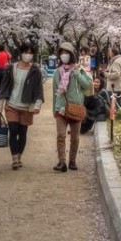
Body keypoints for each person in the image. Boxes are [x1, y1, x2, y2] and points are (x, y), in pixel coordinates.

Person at [0, 42, 44, 170]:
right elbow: (4, 86)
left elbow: (39, 89)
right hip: (12, 105)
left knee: (23, 133)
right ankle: (15, 159)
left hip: (27, 107)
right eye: (26, 52)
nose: (28, 55)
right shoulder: (12, 68)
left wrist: (38, 105)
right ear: (21, 53)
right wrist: (0, 104)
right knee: (13, 130)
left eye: (30, 53)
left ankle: (20, 156)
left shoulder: (35, 70)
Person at [52, 42, 93, 172]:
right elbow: (55, 92)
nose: (64, 55)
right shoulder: (57, 72)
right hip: (61, 108)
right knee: (60, 135)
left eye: (66, 53)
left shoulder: (79, 70)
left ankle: (72, 161)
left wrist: (76, 74)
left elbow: (87, 84)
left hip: (75, 107)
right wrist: (55, 109)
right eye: (62, 53)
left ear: (71, 55)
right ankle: (61, 162)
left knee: (75, 137)